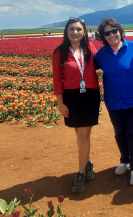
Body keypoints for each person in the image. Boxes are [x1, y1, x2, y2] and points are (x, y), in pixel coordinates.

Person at [94, 18, 133, 185]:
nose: (111, 35)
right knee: (119, 132)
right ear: (103, 36)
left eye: (114, 31)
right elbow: (87, 69)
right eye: (107, 33)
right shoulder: (102, 54)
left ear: (120, 31)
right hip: (113, 100)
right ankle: (125, 160)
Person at [52, 17, 100, 193]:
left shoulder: (90, 48)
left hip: (90, 95)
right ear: (66, 31)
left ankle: (80, 173)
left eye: (79, 29)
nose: (75, 32)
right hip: (71, 96)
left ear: (84, 32)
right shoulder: (59, 52)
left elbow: (102, 64)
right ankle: (87, 164)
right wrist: (60, 103)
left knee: (83, 135)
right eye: (72, 29)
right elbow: (57, 80)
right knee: (78, 133)